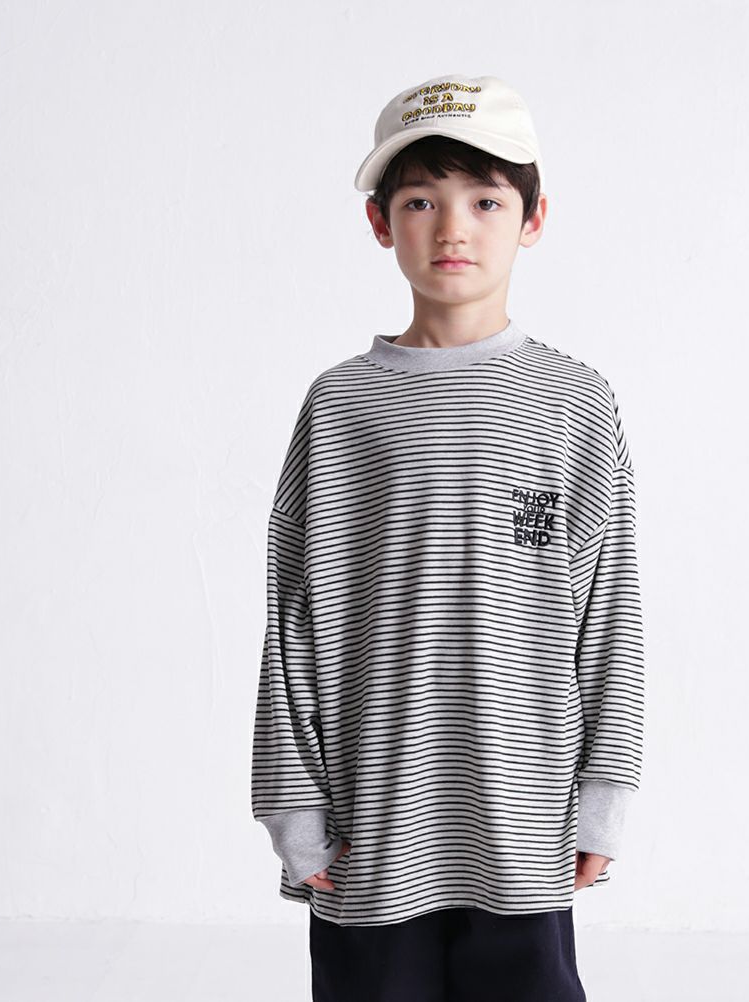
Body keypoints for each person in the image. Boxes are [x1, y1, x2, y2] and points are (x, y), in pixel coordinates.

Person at [251, 72, 646, 1002]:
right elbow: (292, 616)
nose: (453, 229)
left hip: (522, 815)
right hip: (373, 816)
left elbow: (610, 613)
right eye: (421, 201)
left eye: (485, 201)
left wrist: (605, 794)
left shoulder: (575, 403)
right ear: (381, 222)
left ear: (534, 218)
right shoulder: (341, 404)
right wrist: (293, 804)